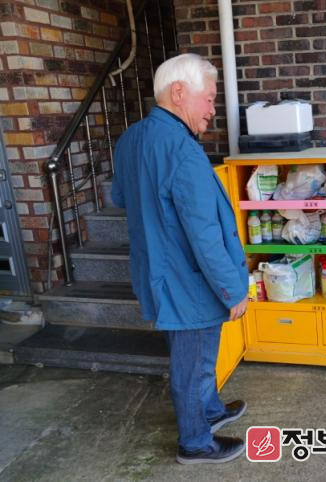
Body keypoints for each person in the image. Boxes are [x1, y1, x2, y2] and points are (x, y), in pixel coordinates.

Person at [111, 53, 249, 464]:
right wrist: (233, 289)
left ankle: (210, 410)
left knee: (199, 356)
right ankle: (195, 442)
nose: (212, 109)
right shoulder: (183, 151)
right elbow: (204, 235)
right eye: (208, 98)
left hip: (156, 271)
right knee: (192, 365)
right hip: (190, 280)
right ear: (178, 93)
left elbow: (121, 198)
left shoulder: (131, 139)